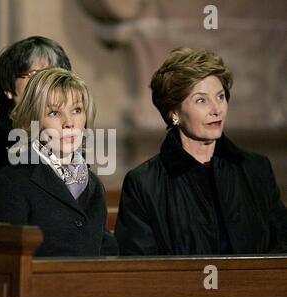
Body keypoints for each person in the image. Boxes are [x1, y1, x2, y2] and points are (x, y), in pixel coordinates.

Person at [115, 47, 287, 255]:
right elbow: (140, 270)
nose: (216, 109)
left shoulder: (256, 169)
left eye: (220, 96)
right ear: (174, 113)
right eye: (201, 100)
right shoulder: (144, 183)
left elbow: (281, 248)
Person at [0, 68, 118, 257]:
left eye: (77, 110)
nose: (69, 123)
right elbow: (5, 263)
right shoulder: (9, 184)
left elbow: (106, 253)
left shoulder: (94, 185)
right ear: (34, 120)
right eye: (54, 113)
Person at [0, 36, 72, 213]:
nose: (46, 85)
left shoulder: (67, 140)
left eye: (55, 76)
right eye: (36, 75)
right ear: (8, 89)